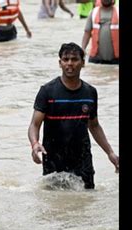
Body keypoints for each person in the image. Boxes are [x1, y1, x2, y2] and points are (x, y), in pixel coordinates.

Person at [28, 42, 119, 189]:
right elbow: (34, 124)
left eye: (75, 59)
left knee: (86, 203)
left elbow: (94, 125)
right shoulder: (47, 91)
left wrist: (110, 153)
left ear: (83, 63)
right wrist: (35, 144)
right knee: (56, 205)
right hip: (54, 160)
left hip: (83, 159)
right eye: (66, 59)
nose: (70, 63)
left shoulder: (90, 92)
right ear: (60, 63)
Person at [81, 0, 119, 64]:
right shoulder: (93, 12)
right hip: (96, 59)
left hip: (116, 60)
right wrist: (83, 49)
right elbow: (87, 32)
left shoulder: (118, 12)